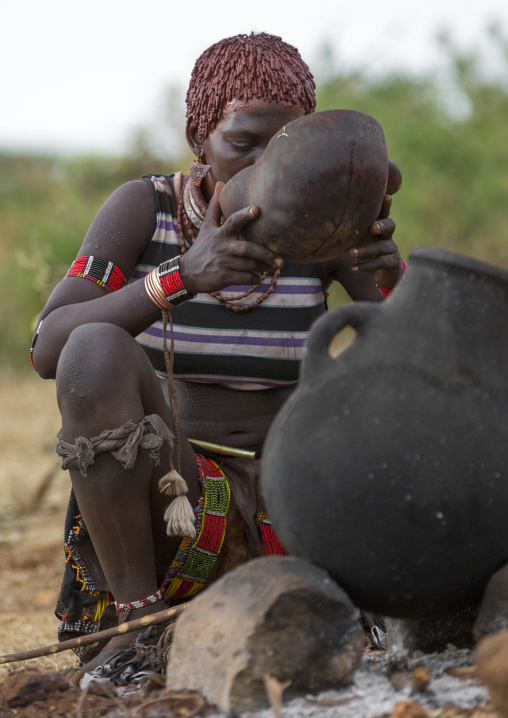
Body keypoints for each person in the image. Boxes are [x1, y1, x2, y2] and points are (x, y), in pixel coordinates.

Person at [31, 32, 405, 672]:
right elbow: (49, 346)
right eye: (241, 144)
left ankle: (360, 605)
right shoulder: (144, 210)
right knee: (94, 348)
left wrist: (389, 275)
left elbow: (419, 359)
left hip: (296, 507)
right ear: (200, 136)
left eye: (281, 147)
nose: (261, 165)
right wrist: (182, 276)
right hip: (176, 507)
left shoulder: (324, 228)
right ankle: (139, 629)